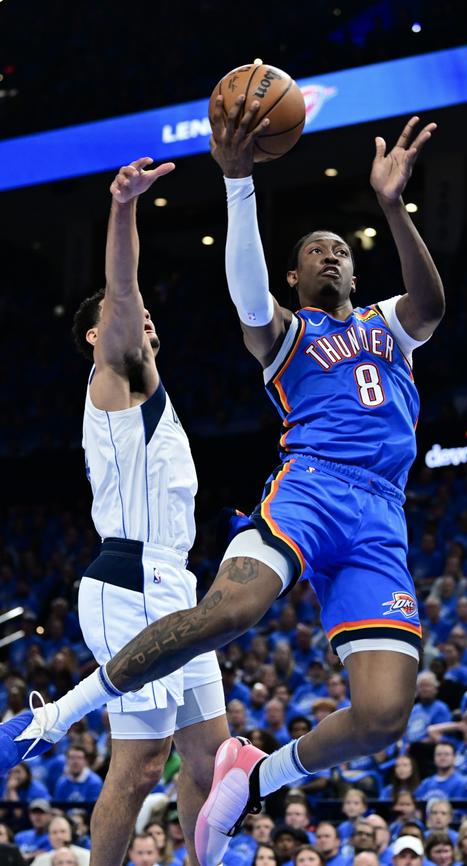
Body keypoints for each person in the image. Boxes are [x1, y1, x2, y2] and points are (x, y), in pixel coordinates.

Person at [1, 104, 444, 866]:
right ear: (293, 275)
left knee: (251, 750)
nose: (331, 256)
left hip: (357, 521)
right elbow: (162, 294)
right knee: (146, 753)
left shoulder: (383, 327)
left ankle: (254, 782)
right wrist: (210, 188)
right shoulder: (127, 369)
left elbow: (431, 304)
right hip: (189, 544)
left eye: (342, 249)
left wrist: (392, 206)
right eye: (315, 250)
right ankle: (51, 718)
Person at [0, 158, 229, 866]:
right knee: (136, 765)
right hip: (128, 583)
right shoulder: (111, 380)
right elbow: (123, 288)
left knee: (210, 760)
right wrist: (123, 206)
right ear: (99, 337)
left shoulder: (155, 396)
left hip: (175, 583)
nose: (139, 318)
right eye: (123, 320)